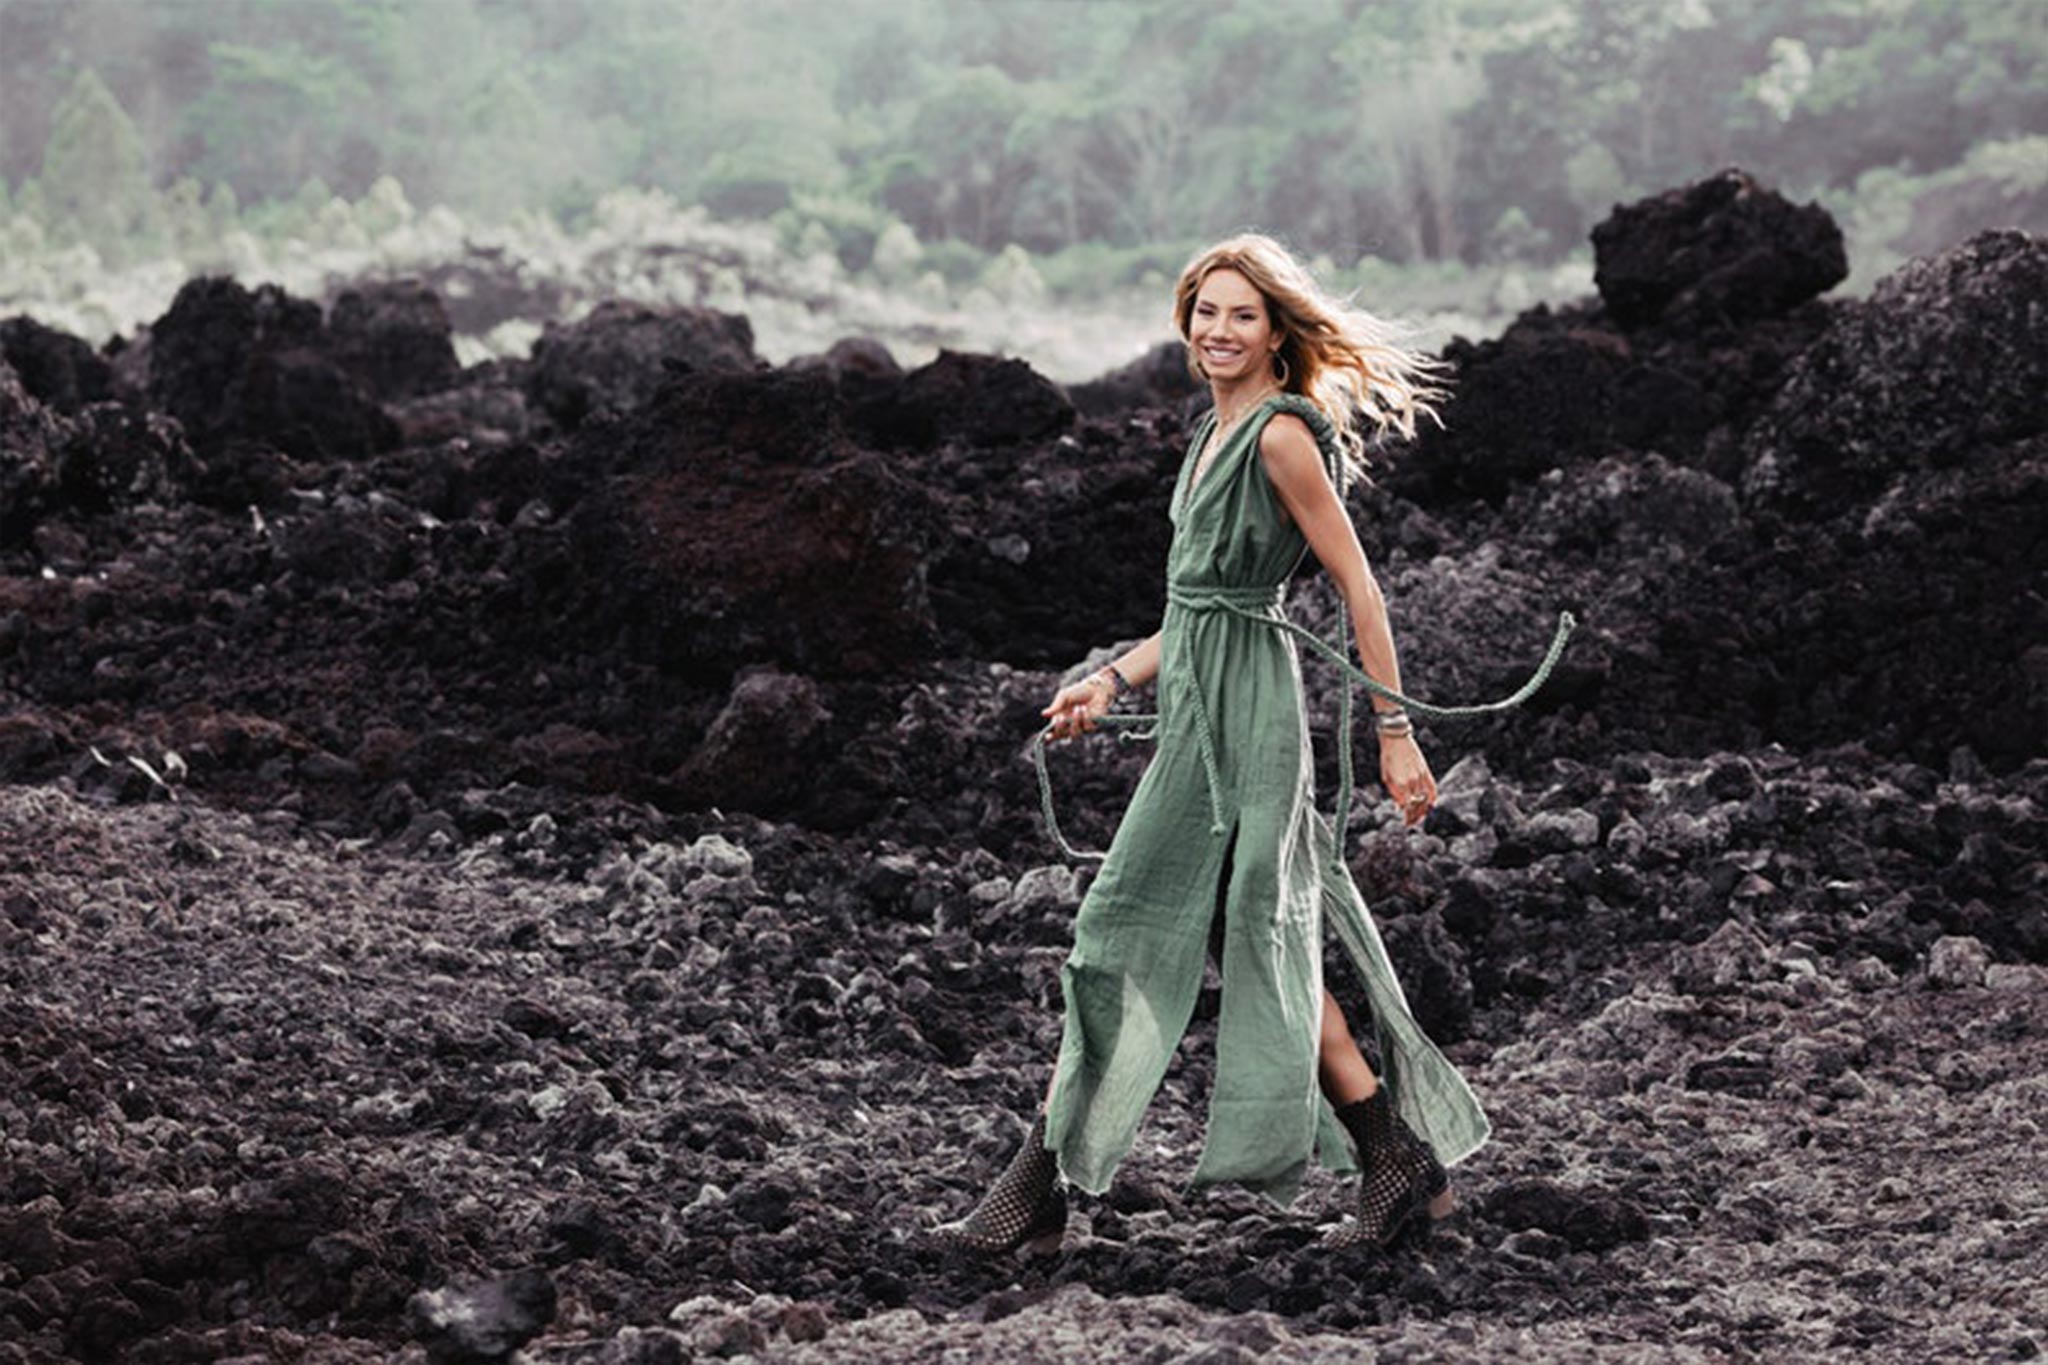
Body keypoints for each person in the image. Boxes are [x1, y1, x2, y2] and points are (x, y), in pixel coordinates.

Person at [931, 232, 1572, 1258]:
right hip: (1198, 709)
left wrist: (1395, 736)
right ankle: (1395, 1159)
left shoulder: (1279, 436)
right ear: (1185, 322)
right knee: (1251, 942)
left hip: (1252, 716)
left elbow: (1359, 587)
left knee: (1127, 928)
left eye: (1242, 314)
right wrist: (1107, 680)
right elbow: (1196, 607)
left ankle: (1038, 1186)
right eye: (1206, 312)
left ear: (1277, 333)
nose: (1219, 330)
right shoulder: (1210, 433)